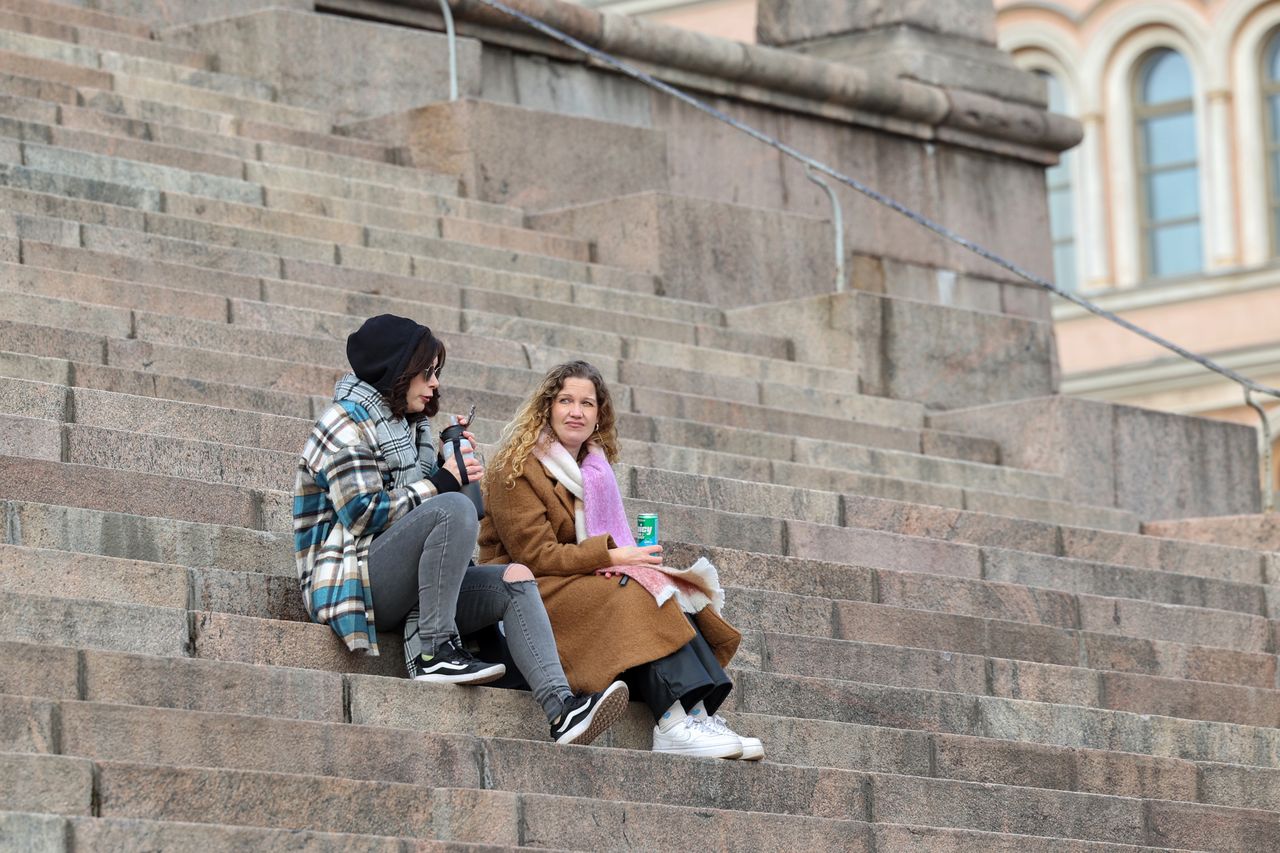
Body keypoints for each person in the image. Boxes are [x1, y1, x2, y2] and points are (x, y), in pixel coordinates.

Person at [293, 315, 628, 745]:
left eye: (437, 373)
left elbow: (457, 515)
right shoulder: (342, 424)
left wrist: (457, 468)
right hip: (351, 579)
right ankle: (435, 651)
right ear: (396, 369)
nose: (434, 384)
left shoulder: (412, 429)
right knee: (450, 505)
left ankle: (562, 709)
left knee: (515, 579)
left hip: (412, 581)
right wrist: (440, 484)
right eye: (427, 372)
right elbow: (364, 514)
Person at [479, 360, 764, 760]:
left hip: (573, 582)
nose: (576, 411)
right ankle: (672, 722)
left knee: (663, 587)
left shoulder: (594, 470)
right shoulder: (516, 467)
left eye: (587, 403)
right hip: (526, 591)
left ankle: (696, 713)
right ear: (547, 408)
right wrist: (611, 556)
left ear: (600, 416)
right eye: (565, 401)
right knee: (633, 592)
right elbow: (535, 556)